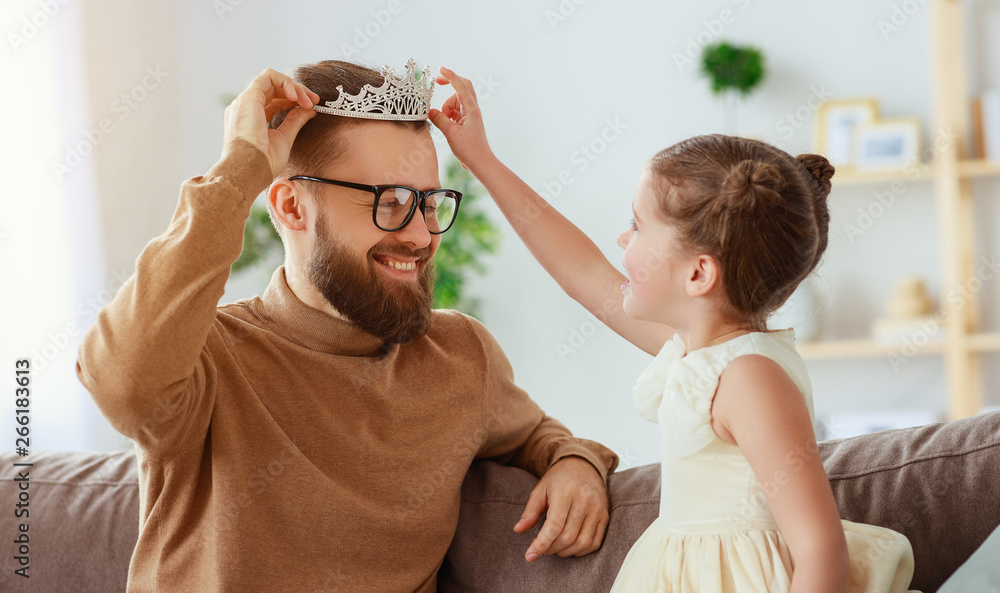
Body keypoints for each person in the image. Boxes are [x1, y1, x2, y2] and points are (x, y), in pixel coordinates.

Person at [75, 60, 619, 593]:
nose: (421, 236)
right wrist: (239, 171)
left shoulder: (459, 353)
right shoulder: (208, 358)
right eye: (390, 202)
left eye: (430, 203)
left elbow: (538, 437)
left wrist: (575, 461)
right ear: (291, 207)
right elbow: (121, 380)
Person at [429, 68, 919, 592]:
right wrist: (479, 158)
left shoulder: (751, 378)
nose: (622, 237)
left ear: (698, 274)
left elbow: (821, 545)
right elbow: (582, 273)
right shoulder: (697, 354)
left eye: (638, 226)